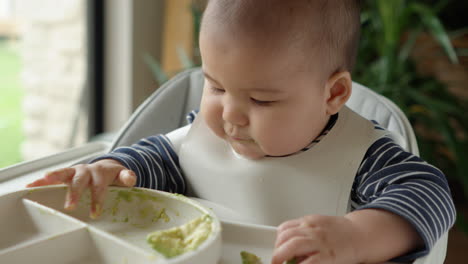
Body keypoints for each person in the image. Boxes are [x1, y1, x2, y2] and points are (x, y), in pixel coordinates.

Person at [27, 0, 456, 263]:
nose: (230, 115)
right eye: (215, 86)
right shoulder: (210, 131)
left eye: (262, 100)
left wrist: (355, 237)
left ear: (334, 93)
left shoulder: (364, 157)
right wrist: (111, 169)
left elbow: (430, 195)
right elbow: (160, 157)